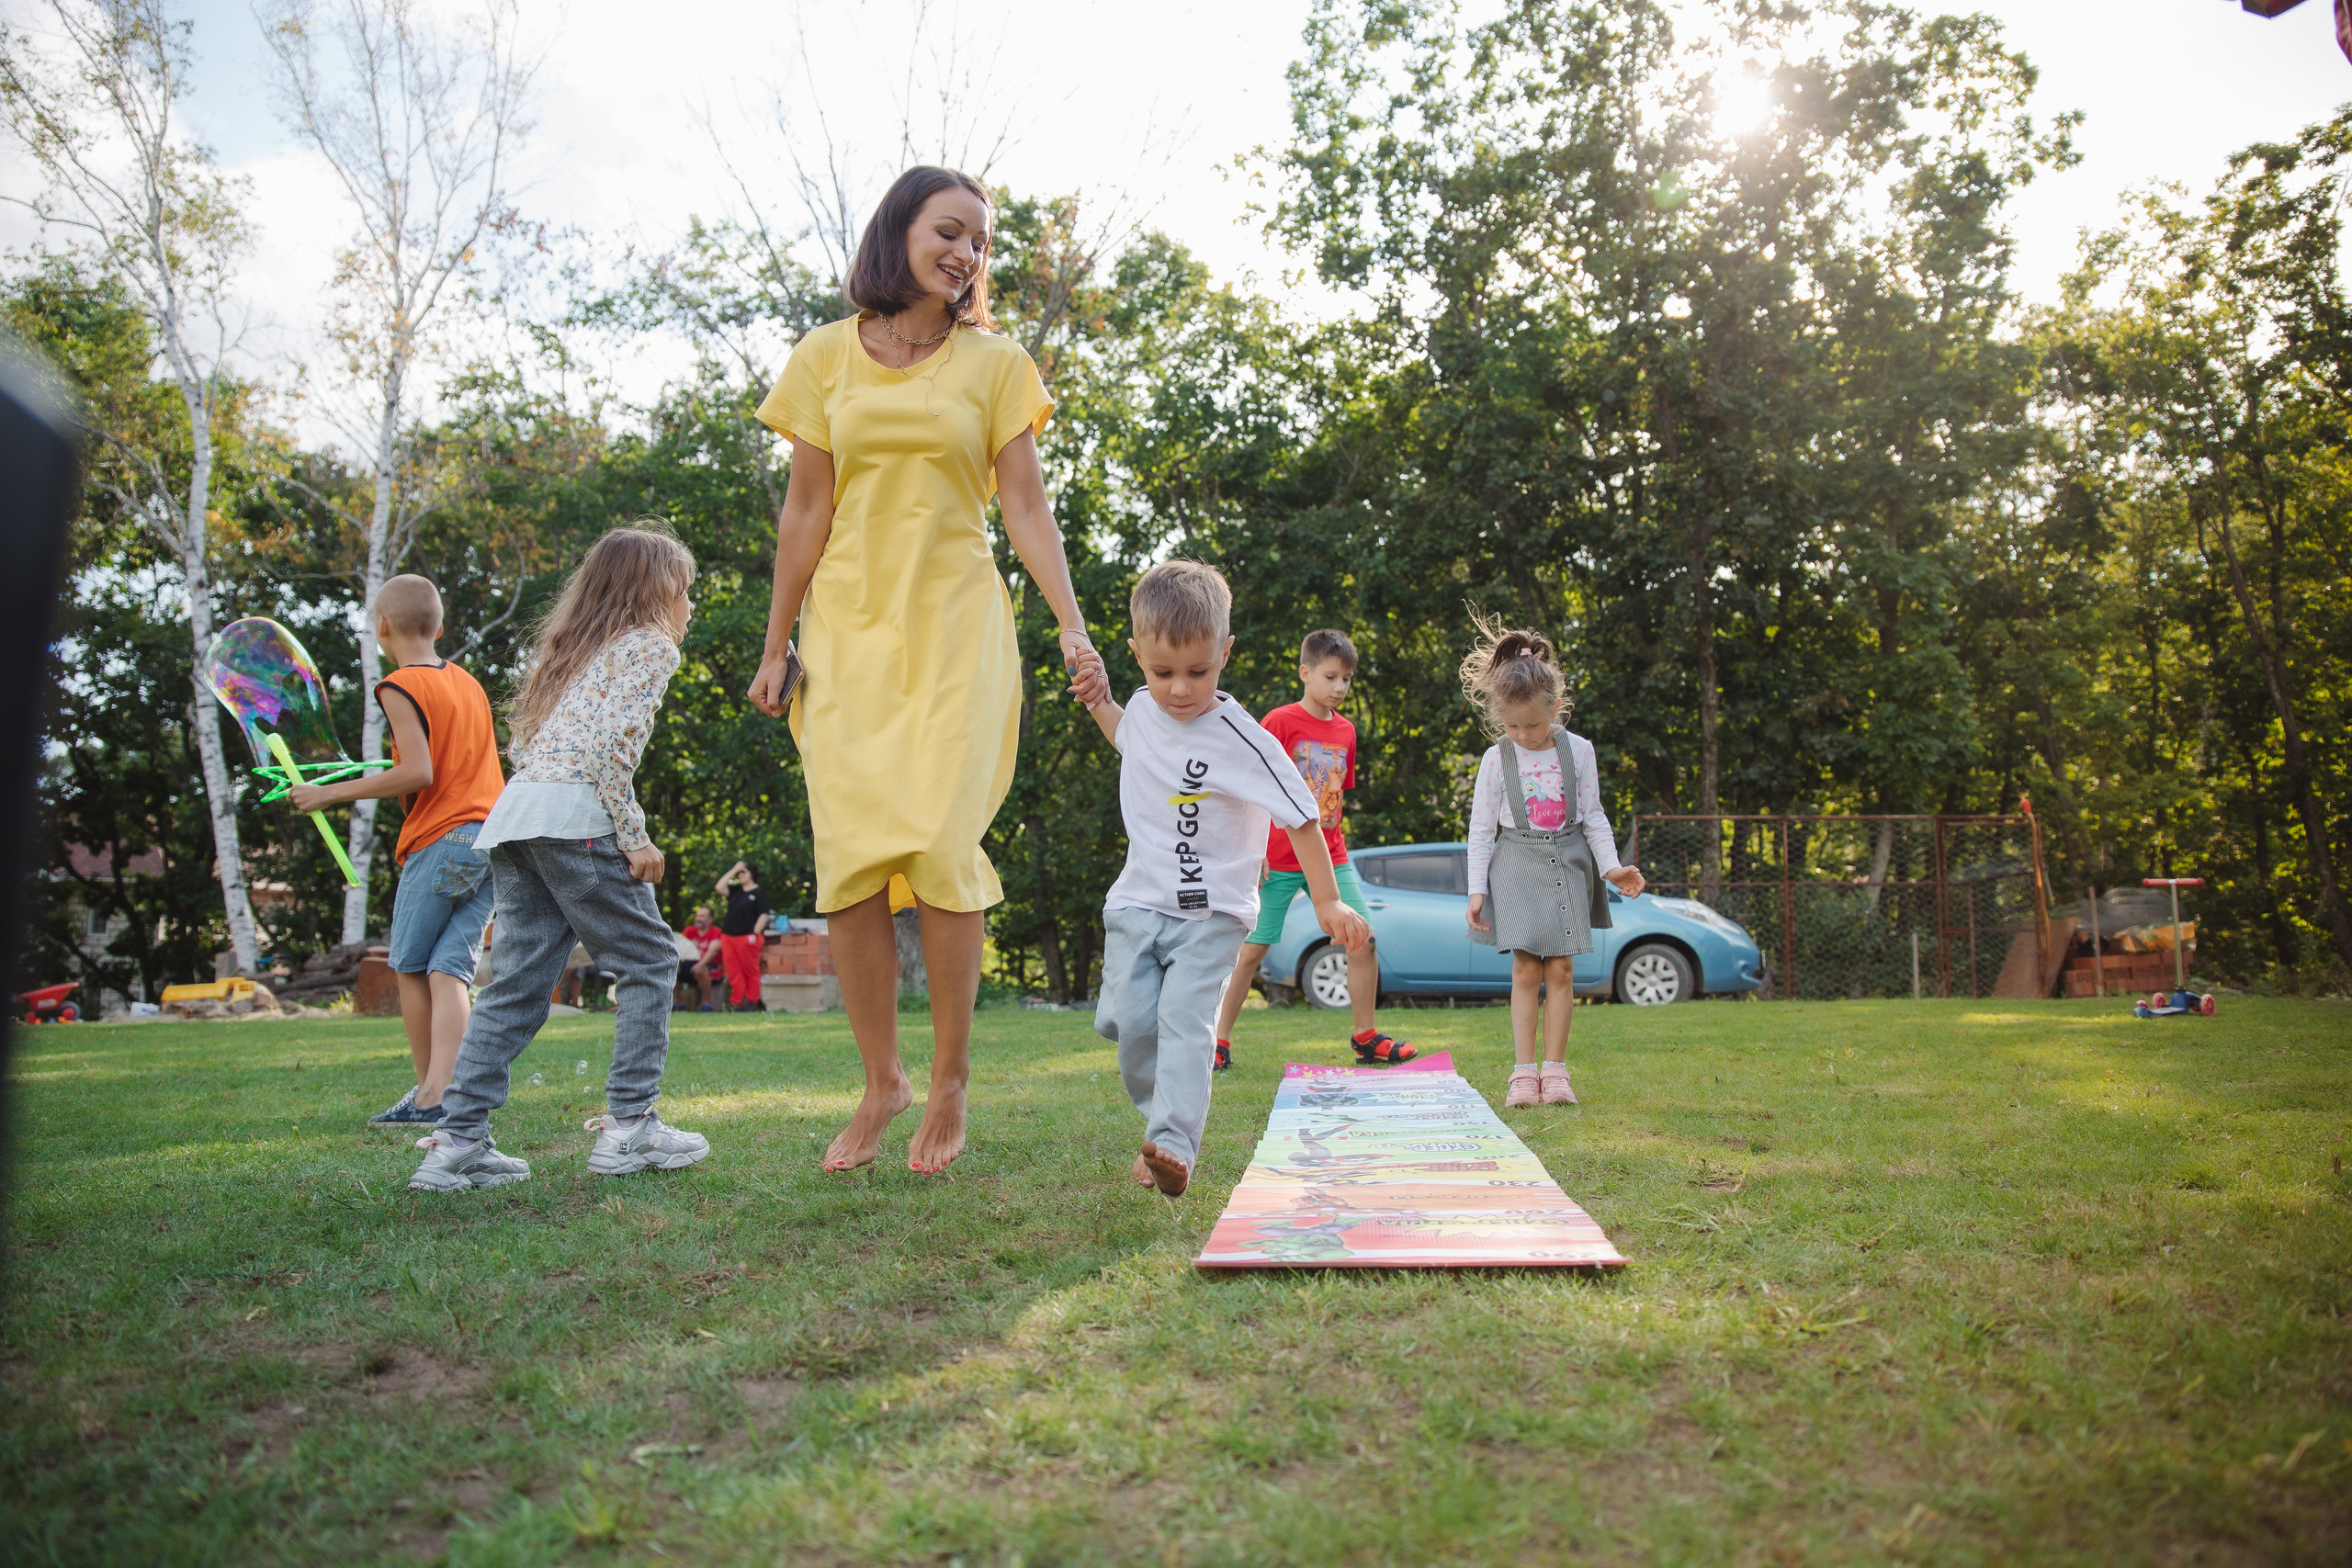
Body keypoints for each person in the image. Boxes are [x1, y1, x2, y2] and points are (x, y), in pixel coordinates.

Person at [745, 164, 1106, 1175]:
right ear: (899, 230)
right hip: (850, 632)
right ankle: (881, 1081)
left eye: (979, 243)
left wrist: (1073, 629)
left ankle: (949, 1082)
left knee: (943, 845)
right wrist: (776, 645)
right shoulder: (824, 357)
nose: (967, 254)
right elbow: (805, 511)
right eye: (951, 231)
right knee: (852, 861)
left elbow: (1026, 509)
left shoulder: (995, 364)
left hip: (956, 626)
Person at [410, 525, 712, 1191]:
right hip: (575, 819)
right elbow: (612, 750)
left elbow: (534, 750)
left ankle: (458, 1141)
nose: (690, 606)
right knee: (653, 958)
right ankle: (631, 1126)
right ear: (657, 590)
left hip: (518, 819)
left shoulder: (575, 652)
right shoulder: (650, 647)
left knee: (515, 984)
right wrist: (633, 833)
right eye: (686, 591)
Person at [1072, 561, 1372, 1196]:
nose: (1180, 689)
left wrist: (1328, 900)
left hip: (1212, 914)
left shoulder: (1247, 738)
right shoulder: (1147, 715)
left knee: (1184, 1020)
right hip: (1136, 904)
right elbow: (1126, 733)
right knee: (1131, 1026)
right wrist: (1100, 698)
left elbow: (1302, 818)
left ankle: (1173, 1143)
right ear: (1138, 656)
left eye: (1197, 672)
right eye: (1161, 673)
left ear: (1225, 652)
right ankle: (1159, 1118)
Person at [288, 574, 503, 1132]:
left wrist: (327, 793)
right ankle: (450, 1093)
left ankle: (429, 1097)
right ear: (439, 626)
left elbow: (418, 771)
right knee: (450, 969)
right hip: (490, 839)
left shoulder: (399, 685)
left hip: (443, 837)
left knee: (409, 965)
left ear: (382, 626)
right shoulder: (467, 682)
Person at [1459, 615, 1645, 1108]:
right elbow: (1482, 831)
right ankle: (1523, 1073)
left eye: (1533, 724)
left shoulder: (1579, 751)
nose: (1523, 734)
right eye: (1512, 725)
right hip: (1515, 864)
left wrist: (1612, 868)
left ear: (1556, 708)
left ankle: (1555, 1071)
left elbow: (1594, 817)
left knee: (1559, 970)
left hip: (1567, 864)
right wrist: (1476, 888)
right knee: (1525, 968)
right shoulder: (1496, 759)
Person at [1210, 628, 1415, 1072]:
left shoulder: (1346, 731)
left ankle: (1365, 1036)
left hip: (1332, 856)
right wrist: (1254, 845)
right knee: (1251, 952)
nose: (1339, 687)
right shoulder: (1279, 722)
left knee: (1364, 940)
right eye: (1330, 677)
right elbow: (1249, 787)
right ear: (1305, 673)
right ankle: (1217, 1042)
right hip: (1278, 859)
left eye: (1346, 679)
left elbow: (1335, 800)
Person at [714, 863, 772, 1011]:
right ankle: (736, 1002)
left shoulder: (759, 893)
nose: (740, 875)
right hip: (729, 936)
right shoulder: (736, 891)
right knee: (733, 970)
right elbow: (719, 887)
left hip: (748, 936)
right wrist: (733, 869)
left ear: (752, 873)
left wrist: (755, 933)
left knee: (750, 969)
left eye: (743, 872)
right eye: (738, 873)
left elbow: (764, 914)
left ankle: (752, 1001)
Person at [681, 904, 723, 1010]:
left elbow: (713, 951)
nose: (698, 919)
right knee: (672, 969)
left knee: (702, 969)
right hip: (691, 964)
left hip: (712, 966)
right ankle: (676, 1003)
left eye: (702, 916)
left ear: (710, 919)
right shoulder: (689, 931)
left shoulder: (716, 932)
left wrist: (700, 965)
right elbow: (679, 947)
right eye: (697, 916)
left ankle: (706, 1004)